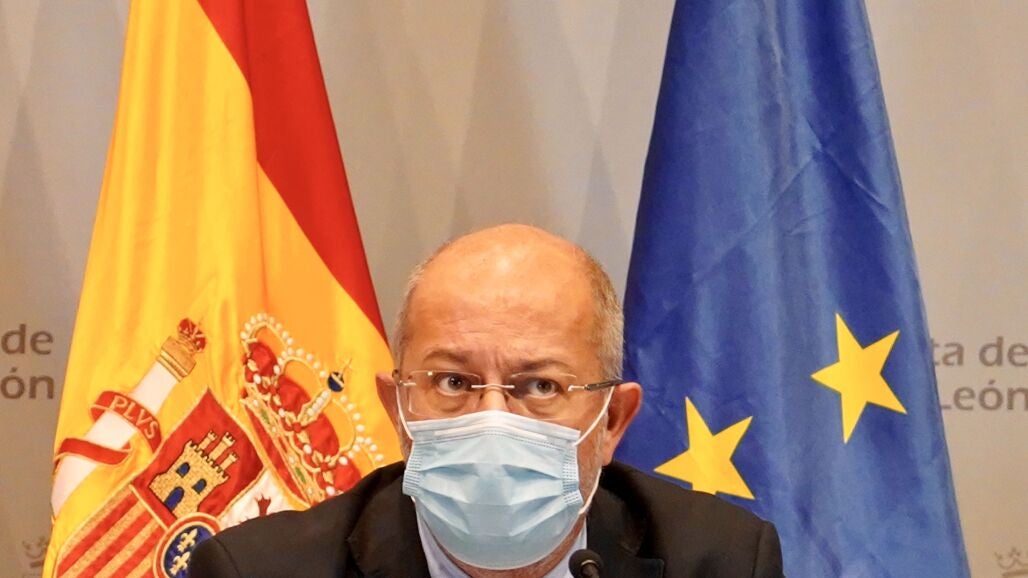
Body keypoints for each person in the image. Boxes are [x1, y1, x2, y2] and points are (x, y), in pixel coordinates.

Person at [189, 224, 784, 578]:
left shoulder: (720, 561)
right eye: (452, 382)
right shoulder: (259, 571)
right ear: (397, 409)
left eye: (540, 386)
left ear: (612, 422)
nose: (491, 420)